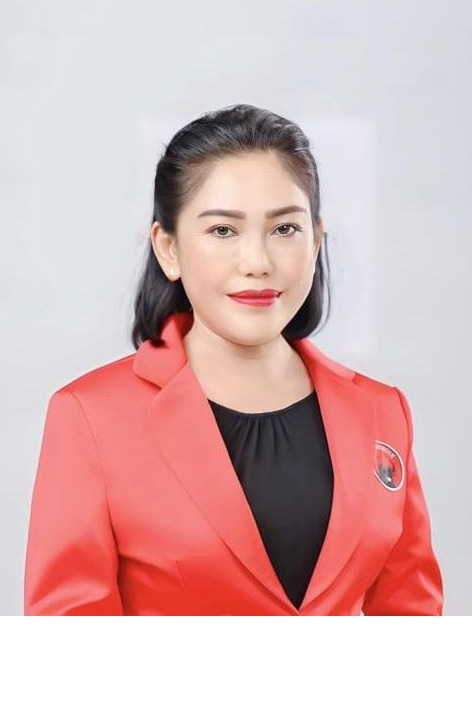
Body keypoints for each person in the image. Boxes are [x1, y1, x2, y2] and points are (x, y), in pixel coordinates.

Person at [23, 103, 443, 615]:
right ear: (168, 248)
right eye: (223, 231)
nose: (258, 263)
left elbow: (413, 620)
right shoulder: (90, 417)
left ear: (315, 242)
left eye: (284, 229)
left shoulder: (383, 411)